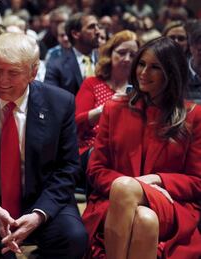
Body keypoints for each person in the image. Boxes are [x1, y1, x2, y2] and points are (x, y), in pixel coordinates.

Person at [0, 32, 88, 259]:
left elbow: (68, 168)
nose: (2, 81)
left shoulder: (60, 103)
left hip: (41, 199)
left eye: (13, 72)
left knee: (73, 237)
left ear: (33, 72)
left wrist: (39, 214)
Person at [82, 37, 201, 259]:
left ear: (172, 73)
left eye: (155, 67)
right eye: (142, 64)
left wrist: (156, 180)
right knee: (145, 220)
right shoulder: (114, 109)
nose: (143, 72)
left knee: (128, 189)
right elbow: (96, 170)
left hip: (171, 203)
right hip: (112, 203)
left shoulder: (193, 116)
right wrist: (128, 188)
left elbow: (197, 181)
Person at [75, 30, 138, 158]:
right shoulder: (92, 83)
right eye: (121, 53)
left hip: (127, 151)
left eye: (133, 55)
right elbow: (75, 124)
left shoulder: (139, 90)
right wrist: (104, 109)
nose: (127, 59)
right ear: (109, 54)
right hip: (92, 149)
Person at [44, 12, 100, 95]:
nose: (98, 31)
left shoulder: (106, 60)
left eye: (98, 26)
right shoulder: (57, 66)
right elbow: (51, 99)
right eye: (91, 27)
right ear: (75, 34)